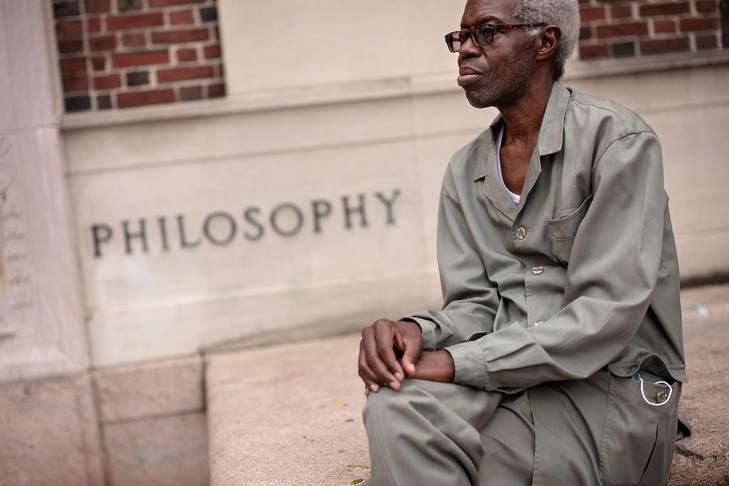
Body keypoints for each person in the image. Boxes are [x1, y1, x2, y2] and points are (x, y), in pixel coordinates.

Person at [357, 0, 687, 484]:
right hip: (507, 383)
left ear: (545, 42)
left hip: (603, 387)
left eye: (486, 32)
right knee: (393, 406)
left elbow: (604, 315)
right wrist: (416, 333)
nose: (465, 49)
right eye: (461, 36)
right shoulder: (464, 170)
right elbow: (475, 305)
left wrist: (453, 363)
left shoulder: (617, 142)